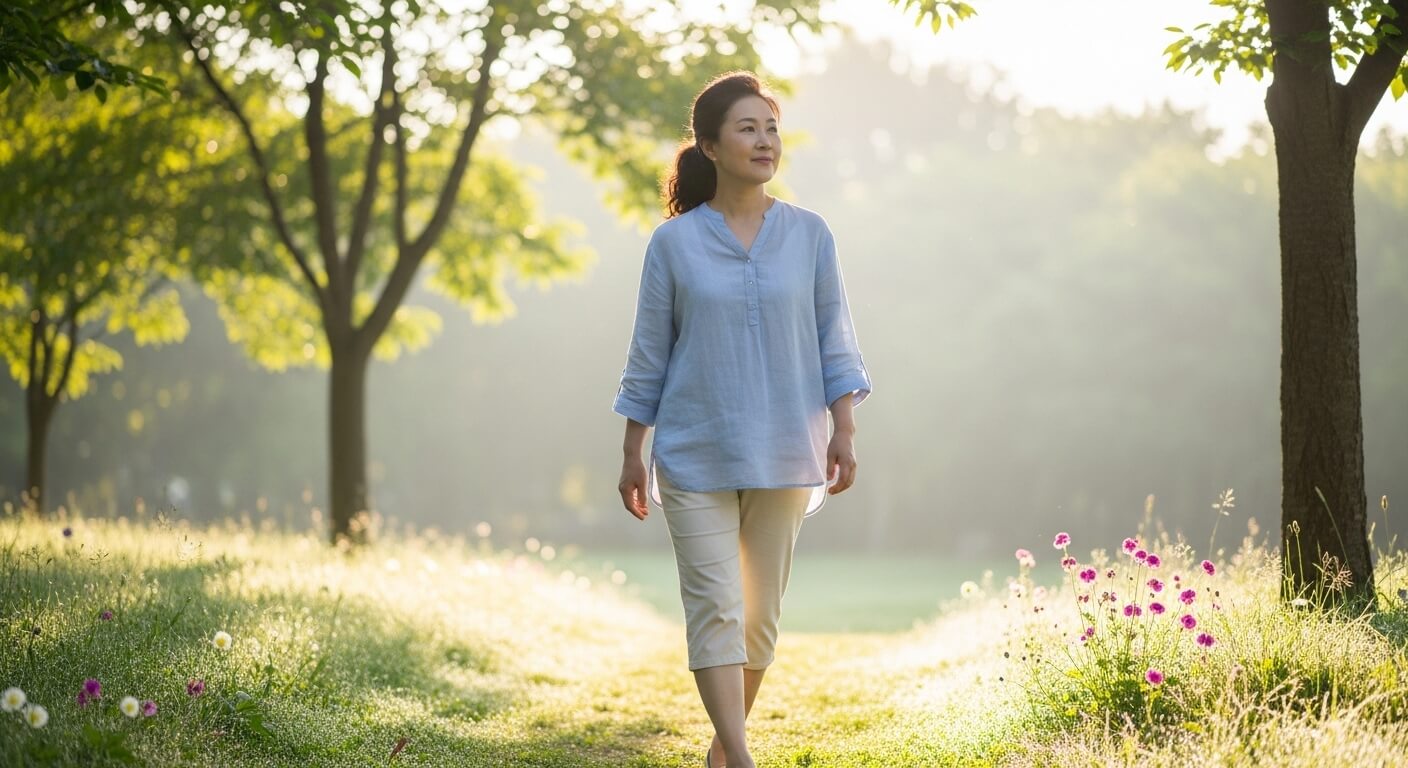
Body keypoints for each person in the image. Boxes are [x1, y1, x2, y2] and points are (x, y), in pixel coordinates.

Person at [612, 71, 871, 768]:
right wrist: (634, 450)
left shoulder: (810, 235)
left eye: (771, 128)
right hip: (696, 450)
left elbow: (834, 340)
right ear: (710, 146)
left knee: (758, 619)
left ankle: (719, 753)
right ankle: (740, 757)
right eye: (747, 129)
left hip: (789, 448)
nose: (765, 141)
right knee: (717, 610)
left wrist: (844, 430)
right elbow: (649, 354)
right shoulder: (673, 245)